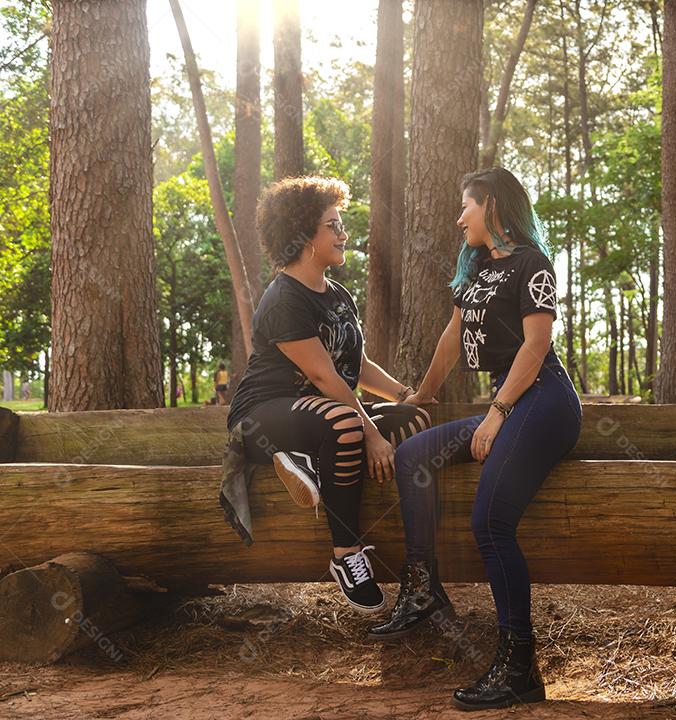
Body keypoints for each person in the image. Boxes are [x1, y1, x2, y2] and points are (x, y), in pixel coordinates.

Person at [369, 167, 582, 711]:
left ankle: (519, 667)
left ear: (489, 204)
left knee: (490, 523)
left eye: (465, 206)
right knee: (415, 455)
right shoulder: (478, 268)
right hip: (509, 406)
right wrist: (419, 395)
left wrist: (496, 414)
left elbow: (535, 349)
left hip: (542, 402)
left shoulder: (534, 265)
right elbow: (451, 337)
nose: (459, 217)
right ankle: (423, 588)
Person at [226, 176, 430, 614]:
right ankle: (346, 555)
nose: (344, 234)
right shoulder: (283, 299)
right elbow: (323, 378)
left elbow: (353, 365)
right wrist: (370, 432)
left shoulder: (338, 295)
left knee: (413, 423)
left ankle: (315, 463)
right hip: (264, 417)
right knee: (345, 423)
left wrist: (402, 394)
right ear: (303, 235)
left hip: (320, 412)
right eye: (333, 225)